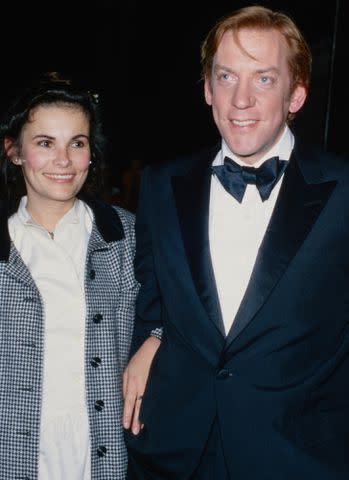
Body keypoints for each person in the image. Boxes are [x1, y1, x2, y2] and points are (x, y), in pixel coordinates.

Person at [123, 5, 349, 479]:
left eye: (264, 79)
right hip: (174, 454)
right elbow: (153, 301)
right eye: (226, 76)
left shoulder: (343, 193)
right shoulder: (161, 185)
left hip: (297, 458)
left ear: (297, 94)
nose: (240, 99)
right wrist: (154, 336)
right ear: (207, 89)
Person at [0, 72, 138, 479]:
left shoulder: (126, 235)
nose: (63, 160)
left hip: (101, 453)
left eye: (76, 144)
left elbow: (171, 312)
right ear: (15, 151)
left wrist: (154, 341)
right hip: (15, 454)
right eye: (45, 143)